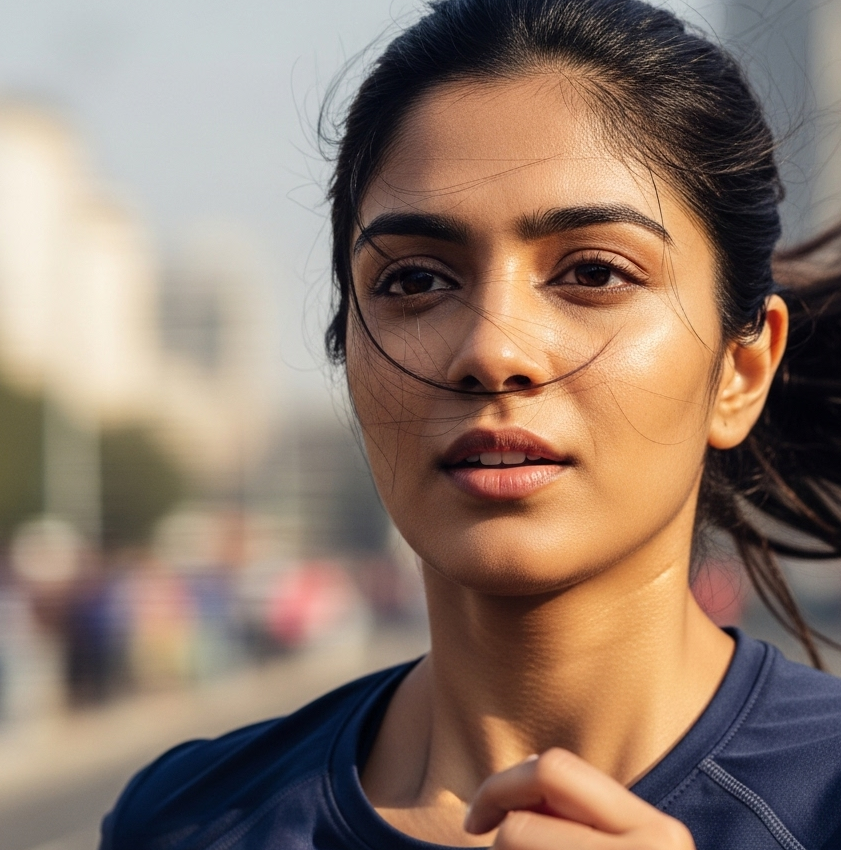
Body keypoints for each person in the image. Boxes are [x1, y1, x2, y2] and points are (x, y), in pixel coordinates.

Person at [99, 1, 841, 847]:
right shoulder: (183, 817)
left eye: (593, 272)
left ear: (740, 371)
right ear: (348, 348)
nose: (490, 352)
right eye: (415, 282)